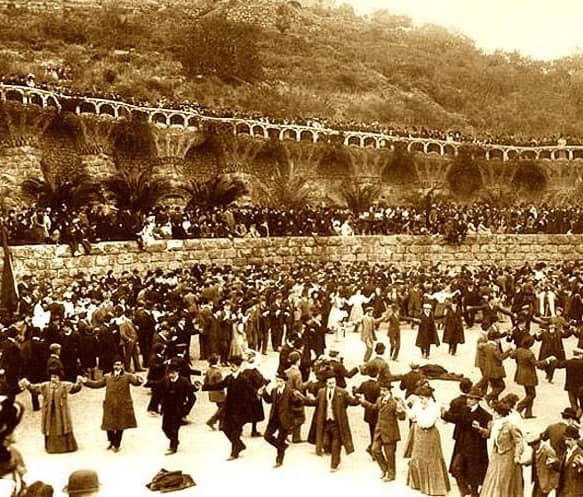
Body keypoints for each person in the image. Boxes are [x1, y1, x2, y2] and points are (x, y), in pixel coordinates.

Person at [80, 357, 144, 452]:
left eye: (119, 364)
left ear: (122, 365)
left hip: (122, 404)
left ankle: (116, 444)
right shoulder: (107, 377)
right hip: (110, 404)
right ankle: (111, 441)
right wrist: (86, 381)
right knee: (108, 425)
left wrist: (139, 380)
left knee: (120, 425)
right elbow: (97, 384)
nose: (117, 367)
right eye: (115, 364)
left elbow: (136, 382)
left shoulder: (127, 376)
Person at [301, 372, 360, 472]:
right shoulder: (321, 392)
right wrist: (304, 399)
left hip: (337, 423)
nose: (331, 385)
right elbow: (315, 402)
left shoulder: (342, 392)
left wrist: (357, 397)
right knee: (325, 442)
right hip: (326, 422)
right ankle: (335, 457)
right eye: (329, 383)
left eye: (333, 383)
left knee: (336, 444)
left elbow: (352, 402)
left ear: (335, 382)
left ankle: (334, 464)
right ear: (326, 383)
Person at [202, 356, 257, 460]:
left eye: (233, 366)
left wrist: (249, 403)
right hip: (229, 409)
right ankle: (240, 445)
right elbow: (220, 385)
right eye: (231, 366)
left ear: (238, 366)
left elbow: (251, 392)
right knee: (225, 428)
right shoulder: (229, 378)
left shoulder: (244, 379)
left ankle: (234, 453)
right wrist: (205, 387)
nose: (231, 368)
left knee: (236, 431)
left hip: (240, 411)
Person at [442, 384, 492, 497]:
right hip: (462, 445)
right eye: (468, 398)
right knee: (455, 468)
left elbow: (487, 434)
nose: (468, 400)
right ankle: (464, 489)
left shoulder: (484, 415)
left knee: (473, 473)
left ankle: (474, 493)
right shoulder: (464, 410)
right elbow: (456, 418)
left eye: (471, 399)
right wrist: (444, 414)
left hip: (476, 449)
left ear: (477, 400)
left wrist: (480, 428)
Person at [19, 367, 82, 454]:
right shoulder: (45, 386)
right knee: (50, 428)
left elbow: (74, 388)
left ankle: (66, 447)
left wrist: (79, 382)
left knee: (63, 426)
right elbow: (35, 389)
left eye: (55, 377)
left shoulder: (64, 385)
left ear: (59, 377)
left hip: (61, 412)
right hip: (49, 413)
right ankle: (52, 448)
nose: (53, 379)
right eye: (52, 377)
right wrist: (28, 384)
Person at [405, 384, 450, 496]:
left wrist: (421, 413)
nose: (421, 400)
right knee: (417, 456)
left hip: (430, 434)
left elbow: (428, 422)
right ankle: (419, 484)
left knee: (432, 459)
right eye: (420, 398)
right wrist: (405, 407)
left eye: (423, 398)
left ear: (429, 398)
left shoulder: (434, 406)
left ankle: (435, 488)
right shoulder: (417, 405)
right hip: (420, 434)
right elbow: (411, 416)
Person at [357, 380, 406, 481]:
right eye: (381, 390)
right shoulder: (379, 399)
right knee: (375, 450)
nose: (382, 392)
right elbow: (374, 408)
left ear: (389, 391)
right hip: (379, 431)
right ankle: (384, 469)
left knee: (390, 455)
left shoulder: (394, 402)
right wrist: (364, 402)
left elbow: (402, 418)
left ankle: (391, 474)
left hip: (390, 432)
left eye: (384, 390)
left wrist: (400, 410)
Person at [479, 398, 524, 497]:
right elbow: (490, 435)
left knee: (504, 479)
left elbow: (519, 441)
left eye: (494, 412)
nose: (493, 413)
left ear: (499, 413)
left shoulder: (510, 425)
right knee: (492, 477)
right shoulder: (494, 424)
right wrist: (480, 429)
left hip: (507, 455)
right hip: (496, 455)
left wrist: (517, 455)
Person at [262, 372, 301, 467]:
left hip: (285, 421)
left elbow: (298, 404)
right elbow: (269, 400)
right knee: (267, 436)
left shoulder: (290, 392)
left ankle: (279, 460)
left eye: (280, 381)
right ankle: (282, 447)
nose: (278, 383)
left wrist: (293, 416)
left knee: (280, 439)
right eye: (277, 381)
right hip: (274, 419)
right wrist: (263, 393)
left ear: (284, 382)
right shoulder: (274, 391)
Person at [510, 334, 553, 419]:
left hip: (520, 374)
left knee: (529, 393)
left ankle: (528, 413)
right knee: (532, 394)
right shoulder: (529, 353)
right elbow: (537, 364)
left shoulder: (519, 350)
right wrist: (547, 361)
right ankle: (519, 408)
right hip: (529, 375)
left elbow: (512, 356)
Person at [158, 363, 197, 455]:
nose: (170, 375)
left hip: (178, 410)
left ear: (177, 372)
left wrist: (186, 410)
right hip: (167, 409)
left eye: (172, 373)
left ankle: (173, 447)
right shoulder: (165, 380)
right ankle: (174, 441)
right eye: (169, 373)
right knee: (164, 428)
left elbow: (192, 398)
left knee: (174, 429)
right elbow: (158, 389)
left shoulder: (184, 381)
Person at [556, 425, 583, 497]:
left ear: (576, 440)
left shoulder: (580, 454)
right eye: (565, 439)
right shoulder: (566, 452)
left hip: (575, 493)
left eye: (569, 440)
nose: (566, 442)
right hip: (564, 493)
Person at [203, 353, 225, 430]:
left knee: (221, 408)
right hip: (218, 392)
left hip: (211, 392)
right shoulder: (217, 371)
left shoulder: (209, 370)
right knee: (223, 407)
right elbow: (220, 384)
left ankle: (221, 425)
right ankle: (212, 421)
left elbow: (205, 381)